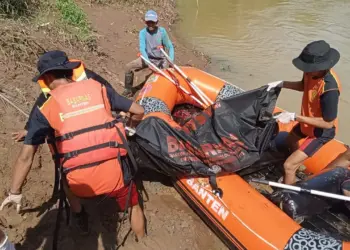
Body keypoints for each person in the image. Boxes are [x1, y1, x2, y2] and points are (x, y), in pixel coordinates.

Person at [0, 50, 146, 240]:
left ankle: (79, 215)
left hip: (79, 184)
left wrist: (15, 192)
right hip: (115, 177)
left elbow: (26, 156)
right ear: (69, 71)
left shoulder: (45, 105)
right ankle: (141, 239)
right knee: (134, 204)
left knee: (65, 172)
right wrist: (129, 128)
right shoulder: (97, 87)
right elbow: (139, 111)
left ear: (47, 77)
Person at [267, 40, 341, 185]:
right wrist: (282, 84)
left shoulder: (330, 89)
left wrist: (295, 117)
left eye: (309, 68)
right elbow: (303, 86)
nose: (306, 71)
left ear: (321, 67)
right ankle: (298, 166)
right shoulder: (310, 72)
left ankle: (288, 195)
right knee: (290, 140)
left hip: (320, 132)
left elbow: (328, 123)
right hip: (308, 122)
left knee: (288, 166)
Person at [122, 10, 175, 97]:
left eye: (152, 22)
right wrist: (148, 63)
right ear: (145, 22)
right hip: (148, 58)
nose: (150, 24)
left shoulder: (162, 32)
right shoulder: (142, 33)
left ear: (156, 22)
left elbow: (170, 47)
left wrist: (171, 61)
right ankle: (128, 90)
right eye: (148, 22)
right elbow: (142, 48)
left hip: (161, 60)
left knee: (162, 77)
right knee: (128, 67)